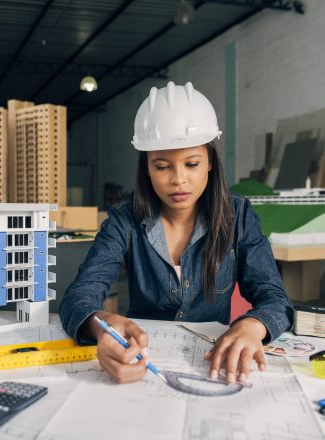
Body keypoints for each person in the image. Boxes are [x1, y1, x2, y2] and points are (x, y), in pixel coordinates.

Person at [59, 81, 294, 385]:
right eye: (162, 166)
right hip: (145, 362)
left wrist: (252, 326)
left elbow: (275, 297)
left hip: (211, 362)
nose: (178, 180)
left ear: (210, 162)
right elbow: (80, 294)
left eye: (192, 163)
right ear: (146, 167)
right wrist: (101, 323)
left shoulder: (239, 216)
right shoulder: (124, 220)